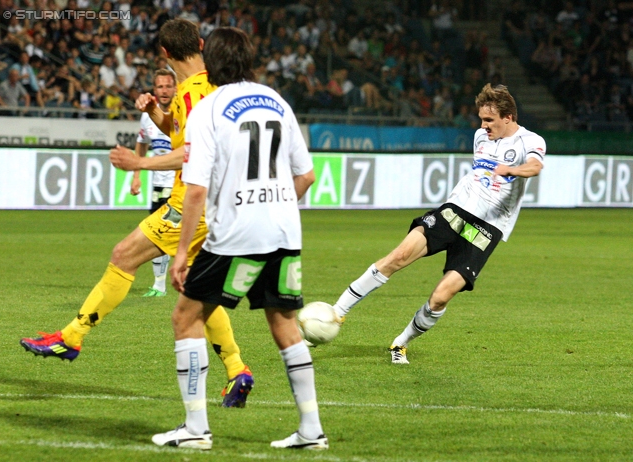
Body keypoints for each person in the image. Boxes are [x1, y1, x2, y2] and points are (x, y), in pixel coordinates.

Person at [20, 19, 254, 409]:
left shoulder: (195, 90)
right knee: (196, 291)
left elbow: (197, 153)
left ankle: (71, 337)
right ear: (199, 43)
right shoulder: (204, 87)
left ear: (163, 53)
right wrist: (160, 113)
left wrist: (139, 164)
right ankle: (237, 370)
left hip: (192, 203)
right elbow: (186, 137)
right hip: (223, 205)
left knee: (123, 256)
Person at [151, 27, 326, 451]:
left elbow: (194, 190)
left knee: (185, 318)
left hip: (235, 236)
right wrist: (277, 205)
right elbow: (306, 175)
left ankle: (195, 429)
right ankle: (311, 430)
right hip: (284, 229)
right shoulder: (277, 101)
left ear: (210, 60)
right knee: (284, 324)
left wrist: (179, 254)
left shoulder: (207, 109)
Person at [331, 84, 546, 365]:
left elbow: (535, 167)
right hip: (456, 209)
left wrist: (512, 170)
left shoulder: (531, 141)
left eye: (489, 120)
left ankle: (400, 343)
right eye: (481, 119)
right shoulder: (481, 136)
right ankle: (336, 313)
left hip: (487, 228)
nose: (483, 126)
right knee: (398, 255)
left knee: (442, 296)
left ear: (508, 117)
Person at [130, 69, 177, 297]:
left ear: (175, 88)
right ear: (155, 89)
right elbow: (141, 143)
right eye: (160, 87)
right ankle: (159, 284)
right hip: (159, 188)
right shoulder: (147, 115)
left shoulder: (184, 112)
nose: (164, 90)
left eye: (168, 86)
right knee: (158, 235)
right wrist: (136, 175)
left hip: (182, 187)